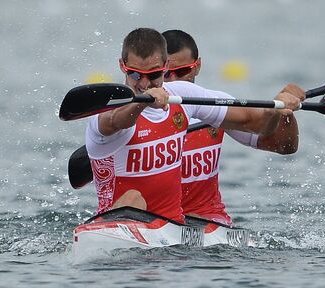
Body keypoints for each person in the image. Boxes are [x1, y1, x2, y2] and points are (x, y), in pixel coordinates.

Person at [85, 28, 304, 224]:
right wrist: (141, 105)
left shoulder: (183, 95)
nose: (143, 83)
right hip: (121, 224)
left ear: (165, 67)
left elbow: (256, 124)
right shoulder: (107, 108)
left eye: (153, 75)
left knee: (195, 217)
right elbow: (115, 121)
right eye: (134, 74)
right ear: (121, 67)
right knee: (132, 200)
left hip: (180, 230)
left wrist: (276, 110)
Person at [162, 29, 303, 226]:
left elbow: (283, 146)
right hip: (157, 220)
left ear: (197, 67)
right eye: (165, 73)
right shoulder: (138, 111)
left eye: (182, 72)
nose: (173, 81)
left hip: (209, 220)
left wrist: (282, 111)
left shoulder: (216, 105)